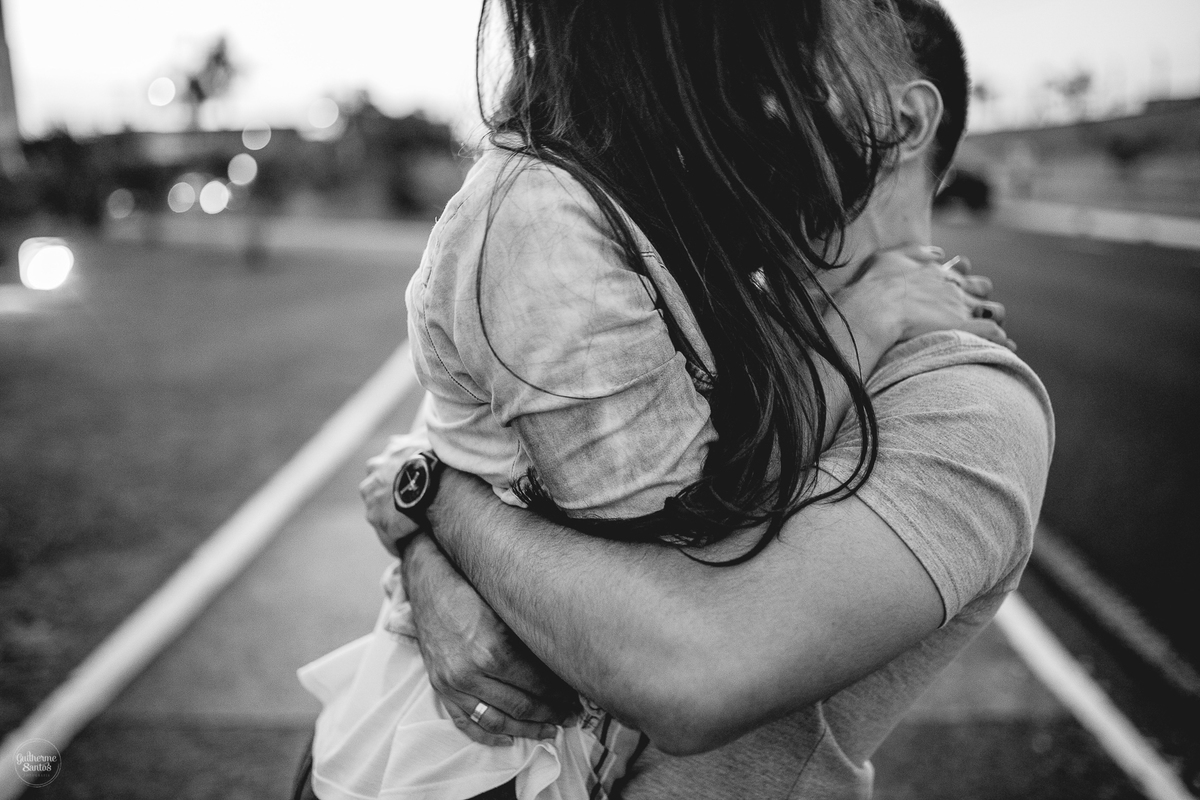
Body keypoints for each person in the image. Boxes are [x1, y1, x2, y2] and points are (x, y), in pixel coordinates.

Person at [302, 1, 1045, 799]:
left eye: (796, 69)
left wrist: (436, 508)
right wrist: (429, 557)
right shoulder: (704, 291)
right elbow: (455, 450)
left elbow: (687, 668)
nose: (758, 92)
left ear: (904, 121)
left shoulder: (971, 403)